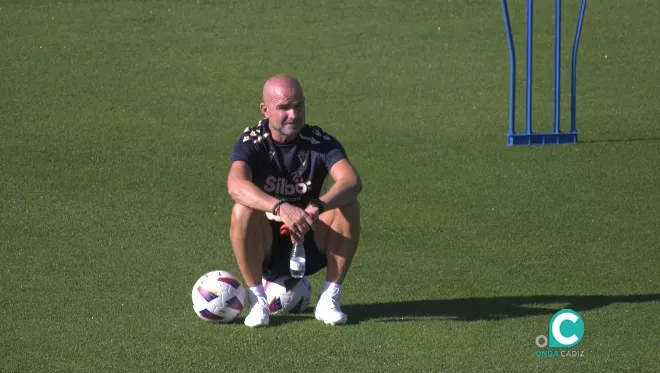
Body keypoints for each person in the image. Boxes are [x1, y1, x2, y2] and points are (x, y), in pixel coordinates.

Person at [227, 74, 362, 327]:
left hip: (309, 240)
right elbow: (235, 185)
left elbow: (351, 181)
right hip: (265, 246)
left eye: (298, 106)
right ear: (265, 110)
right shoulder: (253, 142)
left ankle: (329, 300)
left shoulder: (319, 142)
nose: (293, 114)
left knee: (349, 204)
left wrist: (314, 209)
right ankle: (258, 302)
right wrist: (280, 207)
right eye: (283, 108)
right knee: (242, 210)